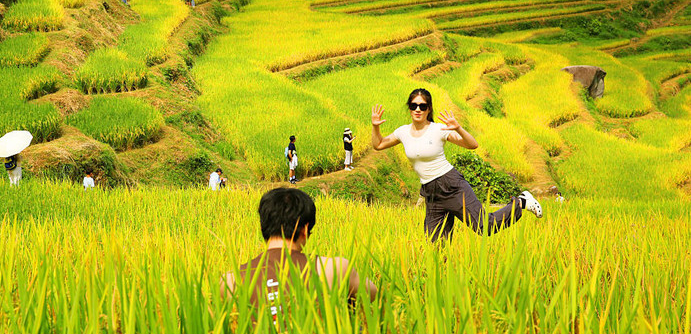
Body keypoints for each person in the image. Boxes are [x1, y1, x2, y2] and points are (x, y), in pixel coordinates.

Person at [371, 88, 543, 242]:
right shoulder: (402, 132)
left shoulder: (438, 129)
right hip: (431, 193)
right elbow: (378, 145)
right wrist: (375, 127)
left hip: (451, 185)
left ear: (428, 109)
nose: (418, 109)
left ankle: (521, 202)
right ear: (409, 107)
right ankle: (443, 277)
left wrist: (459, 128)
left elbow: (471, 144)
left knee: (484, 227)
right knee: (436, 245)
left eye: (422, 106)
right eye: (414, 105)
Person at [221, 188, 377, 329]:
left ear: (262, 227)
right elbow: (374, 295)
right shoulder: (333, 268)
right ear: (305, 229)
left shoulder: (230, 280)